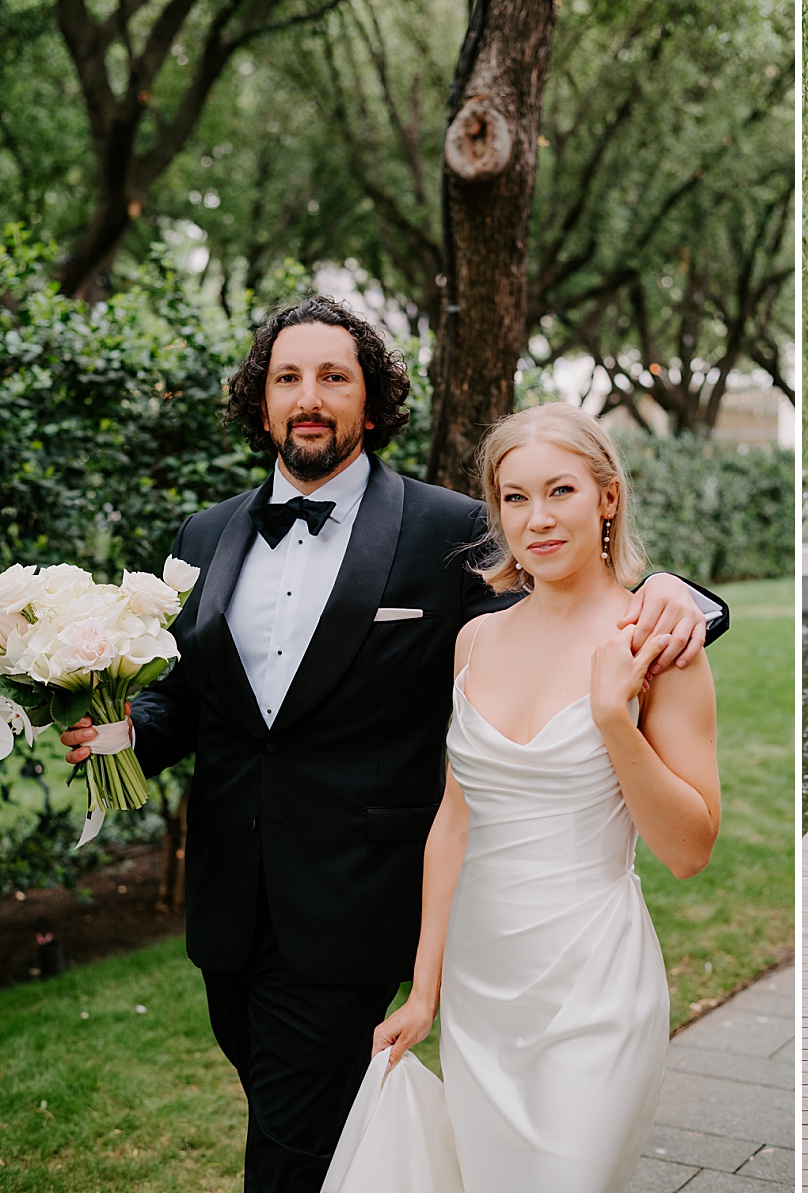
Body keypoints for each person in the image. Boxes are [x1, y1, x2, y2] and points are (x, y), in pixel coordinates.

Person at [59, 296, 725, 1193]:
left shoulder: (443, 529)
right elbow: (193, 694)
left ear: (370, 403)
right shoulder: (205, 536)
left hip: (356, 901)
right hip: (231, 905)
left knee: (294, 1150)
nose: (309, 395)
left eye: (334, 376)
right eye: (288, 376)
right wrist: (126, 728)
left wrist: (688, 596)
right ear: (262, 402)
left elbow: (560, 589)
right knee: (318, 1131)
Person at [349, 402, 723, 1189]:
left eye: (561, 491)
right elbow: (453, 823)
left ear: (607, 497)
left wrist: (613, 719)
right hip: (484, 990)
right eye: (515, 498)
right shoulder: (475, 638)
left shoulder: (659, 645)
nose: (538, 519)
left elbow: (690, 850)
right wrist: (425, 991)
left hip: (594, 984)